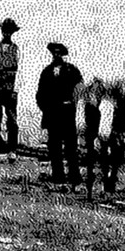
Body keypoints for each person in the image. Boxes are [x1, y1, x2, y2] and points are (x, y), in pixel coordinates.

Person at [36, 42, 83, 189]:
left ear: (62, 55)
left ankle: (74, 177)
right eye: (54, 53)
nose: (56, 55)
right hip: (52, 114)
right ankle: (58, 178)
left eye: (59, 53)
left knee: (71, 147)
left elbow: (80, 87)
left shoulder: (71, 70)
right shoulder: (46, 72)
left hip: (67, 113)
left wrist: (73, 104)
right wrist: (46, 109)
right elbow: (40, 94)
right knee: (54, 147)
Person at [0, 18, 21, 160]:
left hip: (10, 87)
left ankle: (12, 149)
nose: (6, 33)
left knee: (12, 120)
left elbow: (18, 70)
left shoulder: (15, 48)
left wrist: (15, 89)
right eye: (5, 31)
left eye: (9, 31)